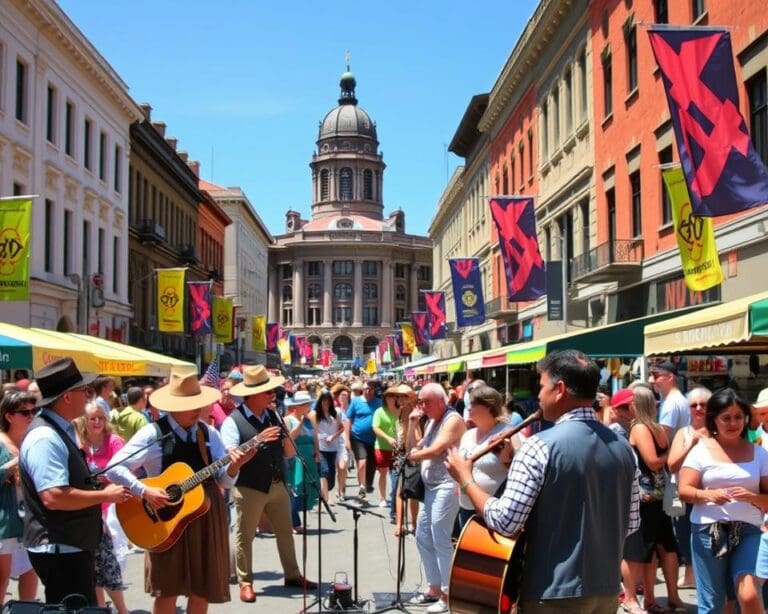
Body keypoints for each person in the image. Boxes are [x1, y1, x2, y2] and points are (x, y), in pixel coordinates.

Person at [446, 349, 640, 614]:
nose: (538, 395)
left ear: (559, 389)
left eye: (541, 386)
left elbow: (505, 521)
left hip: (551, 593)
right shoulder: (624, 448)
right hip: (605, 591)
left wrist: (466, 479)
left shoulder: (539, 446)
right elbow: (631, 523)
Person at [106, 371, 267, 614]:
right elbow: (114, 468)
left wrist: (235, 465)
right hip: (165, 520)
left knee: (202, 589)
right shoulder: (153, 433)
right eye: (190, 405)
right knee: (167, 590)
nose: (198, 409)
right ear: (174, 407)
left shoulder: (209, 433)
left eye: (199, 404)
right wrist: (144, 490)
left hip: (204, 516)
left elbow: (222, 479)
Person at [19, 358, 131, 606]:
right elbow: (54, 497)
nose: (88, 397)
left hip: (71, 547)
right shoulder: (45, 437)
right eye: (84, 391)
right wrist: (105, 495)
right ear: (67, 397)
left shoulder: (60, 430)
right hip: (60, 550)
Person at [220, 365, 317, 603]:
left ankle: (292, 574)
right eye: (268, 392)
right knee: (245, 535)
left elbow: (286, 453)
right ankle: (246, 582)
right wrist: (257, 440)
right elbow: (230, 455)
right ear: (252, 395)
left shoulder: (273, 416)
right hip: (249, 485)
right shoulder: (234, 421)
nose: (272, 395)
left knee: (285, 532)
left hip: (276, 483)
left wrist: (289, 435)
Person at [678, 388, 768, 614]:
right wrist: (707, 495)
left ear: (746, 418)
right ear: (714, 420)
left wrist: (753, 497)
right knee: (712, 603)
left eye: (738, 417)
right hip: (708, 531)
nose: (733, 423)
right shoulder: (700, 451)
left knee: (748, 593)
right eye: (726, 418)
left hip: (749, 530)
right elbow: (684, 490)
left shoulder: (758, 453)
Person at [621, 384, 682, 614]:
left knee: (636, 549)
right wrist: (672, 453)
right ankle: (650, 599)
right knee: (655, 549)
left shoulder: (639, 428)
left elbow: (654, 461)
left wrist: (669, 455)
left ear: (636, 405)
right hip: (657, 496)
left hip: (644, 497)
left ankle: (630, 598)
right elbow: (660, 461)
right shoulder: (656, 428)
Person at [406, 382, 466, 613]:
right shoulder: (431, 420)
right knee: (422, 534)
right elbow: (414, 446)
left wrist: (412, 457)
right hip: (431, 487)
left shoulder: (452, 420)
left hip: (446, 485)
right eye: (420, 401)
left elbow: (434, 450)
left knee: (440, 537)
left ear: (441, 401)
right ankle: (433, 587)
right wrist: (412, 425)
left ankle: (448, 592)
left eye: (426, 401)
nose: (422, 405)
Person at [74, 402, 129, 614]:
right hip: (89, 509)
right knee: (94, 567)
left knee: (111, 565)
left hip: (112, 509)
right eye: (92, 418)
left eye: (100, 418)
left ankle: (122, 610)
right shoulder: (78, 444)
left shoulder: (114, 442)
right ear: (83, 421)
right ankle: (99, 608)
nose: (97, 422)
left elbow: (123, 473)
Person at [667, 386, 713, 593]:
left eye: (703, 404)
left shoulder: (718, 432)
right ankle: (690, 573)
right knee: (683, 534)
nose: (699, 408)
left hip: (709, 495)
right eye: (694, 405)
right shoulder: (682, 433)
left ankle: (703, 575)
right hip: (681, 494)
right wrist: (692, 444)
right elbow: (672, 465)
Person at [455, 385, 514, 534]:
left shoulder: (507, 433)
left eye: (473, 404)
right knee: (467, 555)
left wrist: (506, 460)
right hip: (466, 506)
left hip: (492, 510)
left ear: (488, 407)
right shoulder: (468, 435)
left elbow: (520, 472)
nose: (468, 408)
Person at [0, 392, 38, 606]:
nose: (31, 416)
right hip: (6, 523)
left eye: (34, 411)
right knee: (2, 580)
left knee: (30, 574)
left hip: (30, 521)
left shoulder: (31, 441)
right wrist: (12, 464)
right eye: (25, 412)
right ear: (9, 416)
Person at [284, 391, 321, 534]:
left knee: (306, 488)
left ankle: (296, 519)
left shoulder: (308, 420)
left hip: (308, 458)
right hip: (295, 458)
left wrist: (317, 451)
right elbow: (288, 438)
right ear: (297, 406)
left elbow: (314, 436)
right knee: (295, 489)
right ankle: (294, 522)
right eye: (306, 405)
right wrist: (298, 425)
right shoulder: (288, 420)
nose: (309, 407)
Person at [345, 380, 381, 498]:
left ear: (374, 390)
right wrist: (347, 439)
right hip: (357, 437)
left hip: (374, 439)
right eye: (366, 389)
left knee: (372, 464)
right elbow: (348, 420)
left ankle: (368, 483)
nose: (368, 391)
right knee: (362, 462)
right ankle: (362, 486)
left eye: (370, 389)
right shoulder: (356, 402)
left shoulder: (379, 403)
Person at [373, 388, 400, 509]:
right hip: (382, 447)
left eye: (393, 396)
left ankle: (395, 495)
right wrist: (388, 438)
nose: (391, 399)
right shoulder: (379, 411)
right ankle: (382, 497)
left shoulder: (401, 410)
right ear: (384, 399)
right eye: (388, 397)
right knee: (383, 473)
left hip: (397, 448)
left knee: (396, 475)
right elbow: (375, 427)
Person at [314, 390, 344, 502]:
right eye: (324, 400)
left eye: (328, 400)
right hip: (320, 448)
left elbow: (341, 428)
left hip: (333, 448)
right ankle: (325, 500)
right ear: (320, 401)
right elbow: (313, 431)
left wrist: (333, 436)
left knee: (331, 478)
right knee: (324, 472)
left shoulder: (336, 413)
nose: (326, 402)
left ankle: (325, 492)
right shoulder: (316, 414)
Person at [650, 360, 689, 441]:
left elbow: (663, 441)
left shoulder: (670, 404)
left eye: (655, 376)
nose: (651, 380)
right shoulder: (682, 400)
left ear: (670, 377)